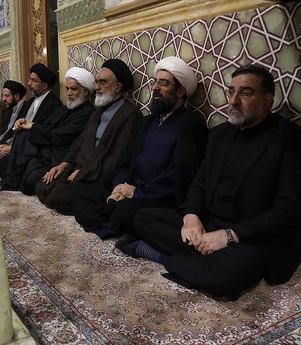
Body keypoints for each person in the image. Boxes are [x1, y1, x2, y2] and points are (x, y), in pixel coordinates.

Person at [117, 64, 301, 300]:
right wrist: (191, 217)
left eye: (245, 93)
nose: (234, 101)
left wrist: (228, 236)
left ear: (267, 100)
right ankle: (203, 260)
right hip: (209, 223)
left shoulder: (292, 139)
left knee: (230, 274)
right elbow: (199, 183)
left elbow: (286, 212)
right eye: (231, 92)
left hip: (251, 236)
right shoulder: (220, 134)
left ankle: (158, 255)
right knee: (142, 217)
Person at [74, 57, 208, 240]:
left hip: (157, 197)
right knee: (83, 195)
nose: (155, 88)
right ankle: (117, 223)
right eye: (155, 82)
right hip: (130, 187)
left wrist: (137, 193)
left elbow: (179, 175)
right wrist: (119, 187)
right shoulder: (147, 121)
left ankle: (117, 225)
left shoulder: (191, 123)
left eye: (163, 83)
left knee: (124, 212)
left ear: (180, 91)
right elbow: (124, 159)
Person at [35, 59, 142, 215]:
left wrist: (82, 172)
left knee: (59, 197)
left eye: (102, 82)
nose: (97, 87)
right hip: (81, 168)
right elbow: (80, 143)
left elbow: (116, 156)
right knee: (42, 185)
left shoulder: (130, 114)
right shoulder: (97, 112)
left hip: (98, 176)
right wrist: (64, 164)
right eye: (96, 82)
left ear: (118, 87)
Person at [0, 67, 95, 194]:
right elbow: (47, 128)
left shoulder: (88, 113)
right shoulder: (63, 110)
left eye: (73, 89)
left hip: (60, 157)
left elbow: (62, 136)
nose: (69, 93)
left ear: (85, 91)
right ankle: (11, 180)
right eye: (67, 89)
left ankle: (14, 178)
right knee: (21, 142)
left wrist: (32, 126)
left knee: (30, 182)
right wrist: (24, 124)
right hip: (46, 152)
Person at [0, 63, 62, 177]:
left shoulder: (54, 104)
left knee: (0, 165)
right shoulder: (31, 101)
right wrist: (8, 140)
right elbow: (16, 126)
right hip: (19, 146)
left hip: (34, 151)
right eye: (29, 79)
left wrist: (13, 148)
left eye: (33, 80)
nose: (29, 84)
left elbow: (47, 133)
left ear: (44, 85)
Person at [0, 80, 26, 171]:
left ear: (16, 96)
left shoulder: (25, 109)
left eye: (7, 96)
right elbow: (5, 131)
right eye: (3, 96)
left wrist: (10, 147)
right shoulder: (10, 109)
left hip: (15, 147)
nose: (4, 99)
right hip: (4, 144)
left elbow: (19, 135)